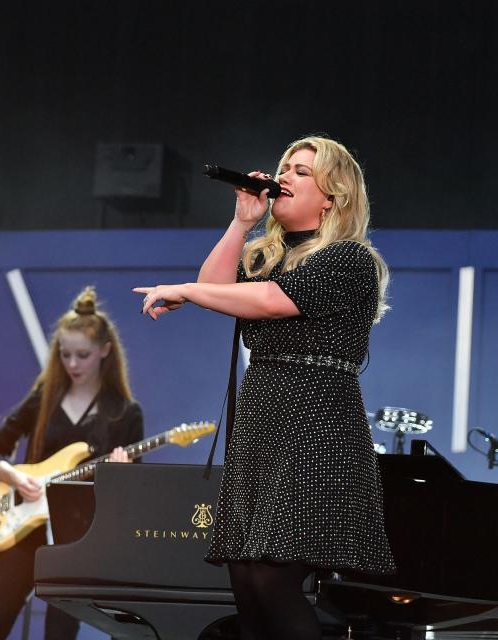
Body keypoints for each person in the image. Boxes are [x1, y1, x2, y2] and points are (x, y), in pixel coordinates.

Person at [133, 135, 395, 640]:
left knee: (274, 577)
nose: (285, 177)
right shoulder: (270, 254)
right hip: (263, 417)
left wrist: (184, 290)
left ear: (332, 196)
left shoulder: (349, 260)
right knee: (248, 579)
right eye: (285, 167)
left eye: (300, 171)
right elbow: (219, 289)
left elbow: (272, 302)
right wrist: (241, 222)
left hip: (315, 422)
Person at [0, 287, 143, 640]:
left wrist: (122, 475)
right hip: (25, 528)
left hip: (77, 536)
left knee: (60, 632)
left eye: (82, 355)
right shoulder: (43, 400)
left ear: (105, 352)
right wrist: (14, 476)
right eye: (65, 355)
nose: (72, 364)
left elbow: (133, 495)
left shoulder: (124, 413)